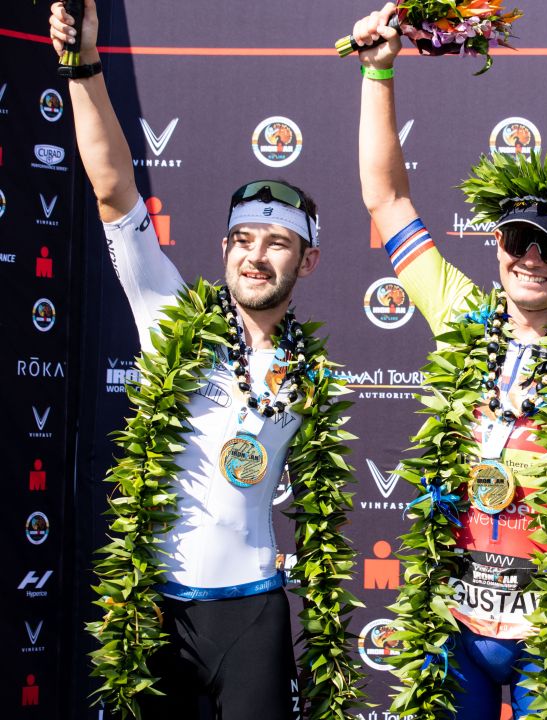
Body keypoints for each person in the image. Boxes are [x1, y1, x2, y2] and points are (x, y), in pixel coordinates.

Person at [49, 2, 359, 718]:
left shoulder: (310, 374)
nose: (257, 254)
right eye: (243, 239)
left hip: (253, 613)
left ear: (307, 262)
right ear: (222, 251)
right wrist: (85, 67)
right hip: (156, 617)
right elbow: (112, 188)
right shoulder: (166, 315)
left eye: (277, 243)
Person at [353, 6, 547, 719]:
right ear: (496, 241)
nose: (530, 258)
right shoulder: (459, 313)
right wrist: (377, 71)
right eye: (518, 237)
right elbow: (387, 199)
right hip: (451, 626)